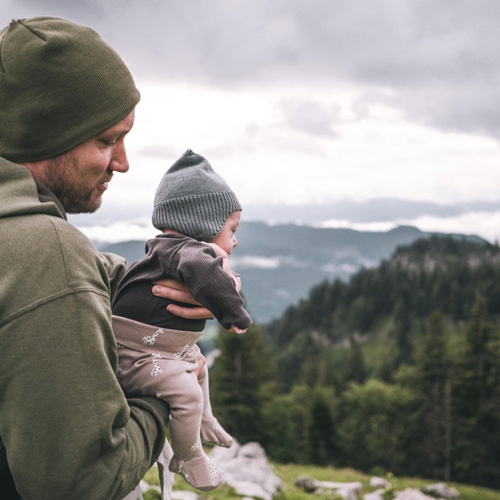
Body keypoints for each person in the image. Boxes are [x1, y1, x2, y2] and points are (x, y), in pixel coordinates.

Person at [0, 17, 210, 500]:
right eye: (105, 140)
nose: (122, 161)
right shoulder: (47, 253)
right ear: (45, 135)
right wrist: (167, 388)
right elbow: (83, 483)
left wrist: (136, 279)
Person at [112, 150, 252, 491]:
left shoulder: (166, 251)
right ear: (203, 222)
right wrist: (235, 312)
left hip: (163, 352)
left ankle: (204, 421)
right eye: (231, 229)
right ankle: (189, 457)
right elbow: (205, 272)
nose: (234, 241)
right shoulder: (188, 253)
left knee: (199, 365)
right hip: (138, 359)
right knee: (186, 392)